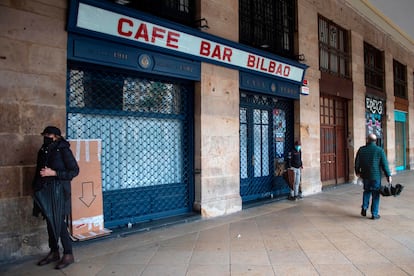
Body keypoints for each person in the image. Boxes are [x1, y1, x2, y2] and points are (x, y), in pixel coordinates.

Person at [32, 126, 79, 269]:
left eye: (49, 134)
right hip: (45, 190)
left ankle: (68, 254)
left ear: (57, 136)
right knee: (49, 222)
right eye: (44, 134)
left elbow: (74, 171)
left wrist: (54, 173)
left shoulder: (64, 150)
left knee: (59, 223)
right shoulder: (43, 149)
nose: (46, 136)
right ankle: (54, 252)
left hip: (59, 191)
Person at [355, 133, 391, 220]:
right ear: (375, 141)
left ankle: (364, 207)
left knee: (367, 191)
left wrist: (357, 172)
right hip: (376, 176)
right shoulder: (379, 150)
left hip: (365, 176)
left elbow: (357, 162)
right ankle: (374, 214)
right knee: (375, 194)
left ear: (367, 140)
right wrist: (388, 175)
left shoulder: (361, 150)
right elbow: (384, 164)